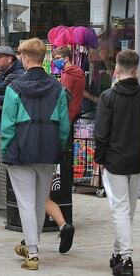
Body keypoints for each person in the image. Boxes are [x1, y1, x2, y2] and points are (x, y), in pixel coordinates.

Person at [1, 39, 71, 271]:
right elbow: (64, 126)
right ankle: (33, 246)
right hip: (48, 150)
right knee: (40, 202)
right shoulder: (58, 88)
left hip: (21, 150)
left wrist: (5, 149)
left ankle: (32, 251)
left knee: (26, 203)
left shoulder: (14, 88)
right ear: (43, 58)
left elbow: (8, 125)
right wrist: (58, 147)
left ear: (25, 58)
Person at [94, 50, 140, 276]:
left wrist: (99, 158)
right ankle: (118, 252)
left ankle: (126, 257)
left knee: (120, 209)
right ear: (136, 70)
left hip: (114, 159)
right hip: (136, 157)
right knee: (128, 210)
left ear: (116, 70)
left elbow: (101, 133)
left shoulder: (108, 97)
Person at [47, 45, 88, 252]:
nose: (55, 61)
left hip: (67, 118)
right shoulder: (72, 72)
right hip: (69, 117)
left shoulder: (71, 73)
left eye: (57, 58)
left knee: (62, 161)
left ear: (66, 58)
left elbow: (64, 96)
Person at [0, 45, 25, 135]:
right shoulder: (1, 73)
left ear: (9, 59)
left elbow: (10, 100)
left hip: (10, 122)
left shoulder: (18, 75)